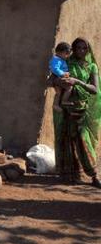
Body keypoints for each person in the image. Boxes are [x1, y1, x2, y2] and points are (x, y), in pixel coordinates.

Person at [53, 37, 101, 187]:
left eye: (84, 48)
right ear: (73, 49)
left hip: (82, 110)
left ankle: (94, 175)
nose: (81, 51)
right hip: (65, 109)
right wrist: (59, 82)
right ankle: (70, 175)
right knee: (66, 141)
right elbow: (50, 80)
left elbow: (95, 89)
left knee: (83, 140)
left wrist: (78, 82)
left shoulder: (91, 66)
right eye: (78, 48)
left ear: (88, 50)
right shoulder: (66, 63)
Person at [49, 42, 73, 111]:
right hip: (57, 78)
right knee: (69, 87)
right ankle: (64, 101)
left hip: (59, 78)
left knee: (58, 92)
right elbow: (54, 69)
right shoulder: (56, 59)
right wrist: (63, 74)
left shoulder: (60, 60)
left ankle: (56, 105)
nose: (67, 56)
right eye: (66, 54)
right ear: (59, 52)